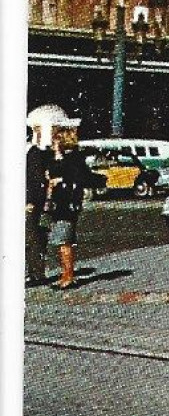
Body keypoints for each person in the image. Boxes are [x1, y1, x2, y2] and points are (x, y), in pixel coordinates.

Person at [43, 116, 92, 289]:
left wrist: (60, 179)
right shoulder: (63, 158)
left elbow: (77, 178)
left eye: (57, 140)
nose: (54, 143)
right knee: (61, 240)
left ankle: (68, 276)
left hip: (67, 204)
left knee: (65, 241)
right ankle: (65, 274)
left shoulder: (74, 159)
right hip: (61, 203)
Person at [25, 135, 51, 286]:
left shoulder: (33, 153)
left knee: (30, 238)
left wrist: (30, 200)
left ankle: (36, 273)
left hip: (28, 202)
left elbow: (35, 179)